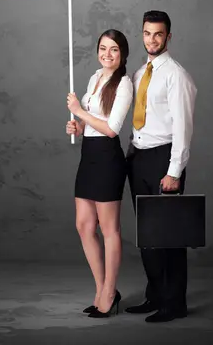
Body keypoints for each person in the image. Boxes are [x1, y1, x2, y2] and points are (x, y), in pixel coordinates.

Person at [125, 10, 197, 323]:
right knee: (147, 235)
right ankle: (154, 296)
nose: (152, 39)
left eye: (158, 34)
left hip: (164, 160)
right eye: (147, 33)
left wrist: (174, 171)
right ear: (142, 34)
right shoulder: (140, 74)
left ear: (169, 36)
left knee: (169, 235)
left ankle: (174, 303)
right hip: (138, 157)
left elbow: (183, 126)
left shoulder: (176, 75)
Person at [66, 29, 133, 318]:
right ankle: (101, 288)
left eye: (114, 49)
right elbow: (93, 125)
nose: (107, 54)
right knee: (83, 225)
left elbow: (111, 128)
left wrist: (79, 112)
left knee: (109, 230)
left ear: (122, 54)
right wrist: (78, 127)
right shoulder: (95, 78)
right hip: (89, 156)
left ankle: (109, 292)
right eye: (103, 48)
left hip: (108, 158)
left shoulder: (125, 84)